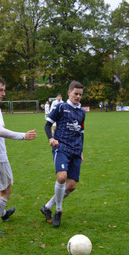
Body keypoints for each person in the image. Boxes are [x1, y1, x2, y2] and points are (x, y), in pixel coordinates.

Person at [0, 78, 37, 236]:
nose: (4, 93)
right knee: (6, 189)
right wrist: (23, 136)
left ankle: (3, 214)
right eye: (0, 90)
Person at [41, 81, 86, 227]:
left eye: (80, 94)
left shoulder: (82, 112)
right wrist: (51, 138)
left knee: (71, 186)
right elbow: (47, 125)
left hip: (75, 150)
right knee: (62, 177)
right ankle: (58, 211)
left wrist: (81, 151)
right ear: (69, 93)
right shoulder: (60, 107)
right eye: (75, 94)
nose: (78, 97)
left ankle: (47, 207)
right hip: (61, 147)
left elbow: (81, 133)